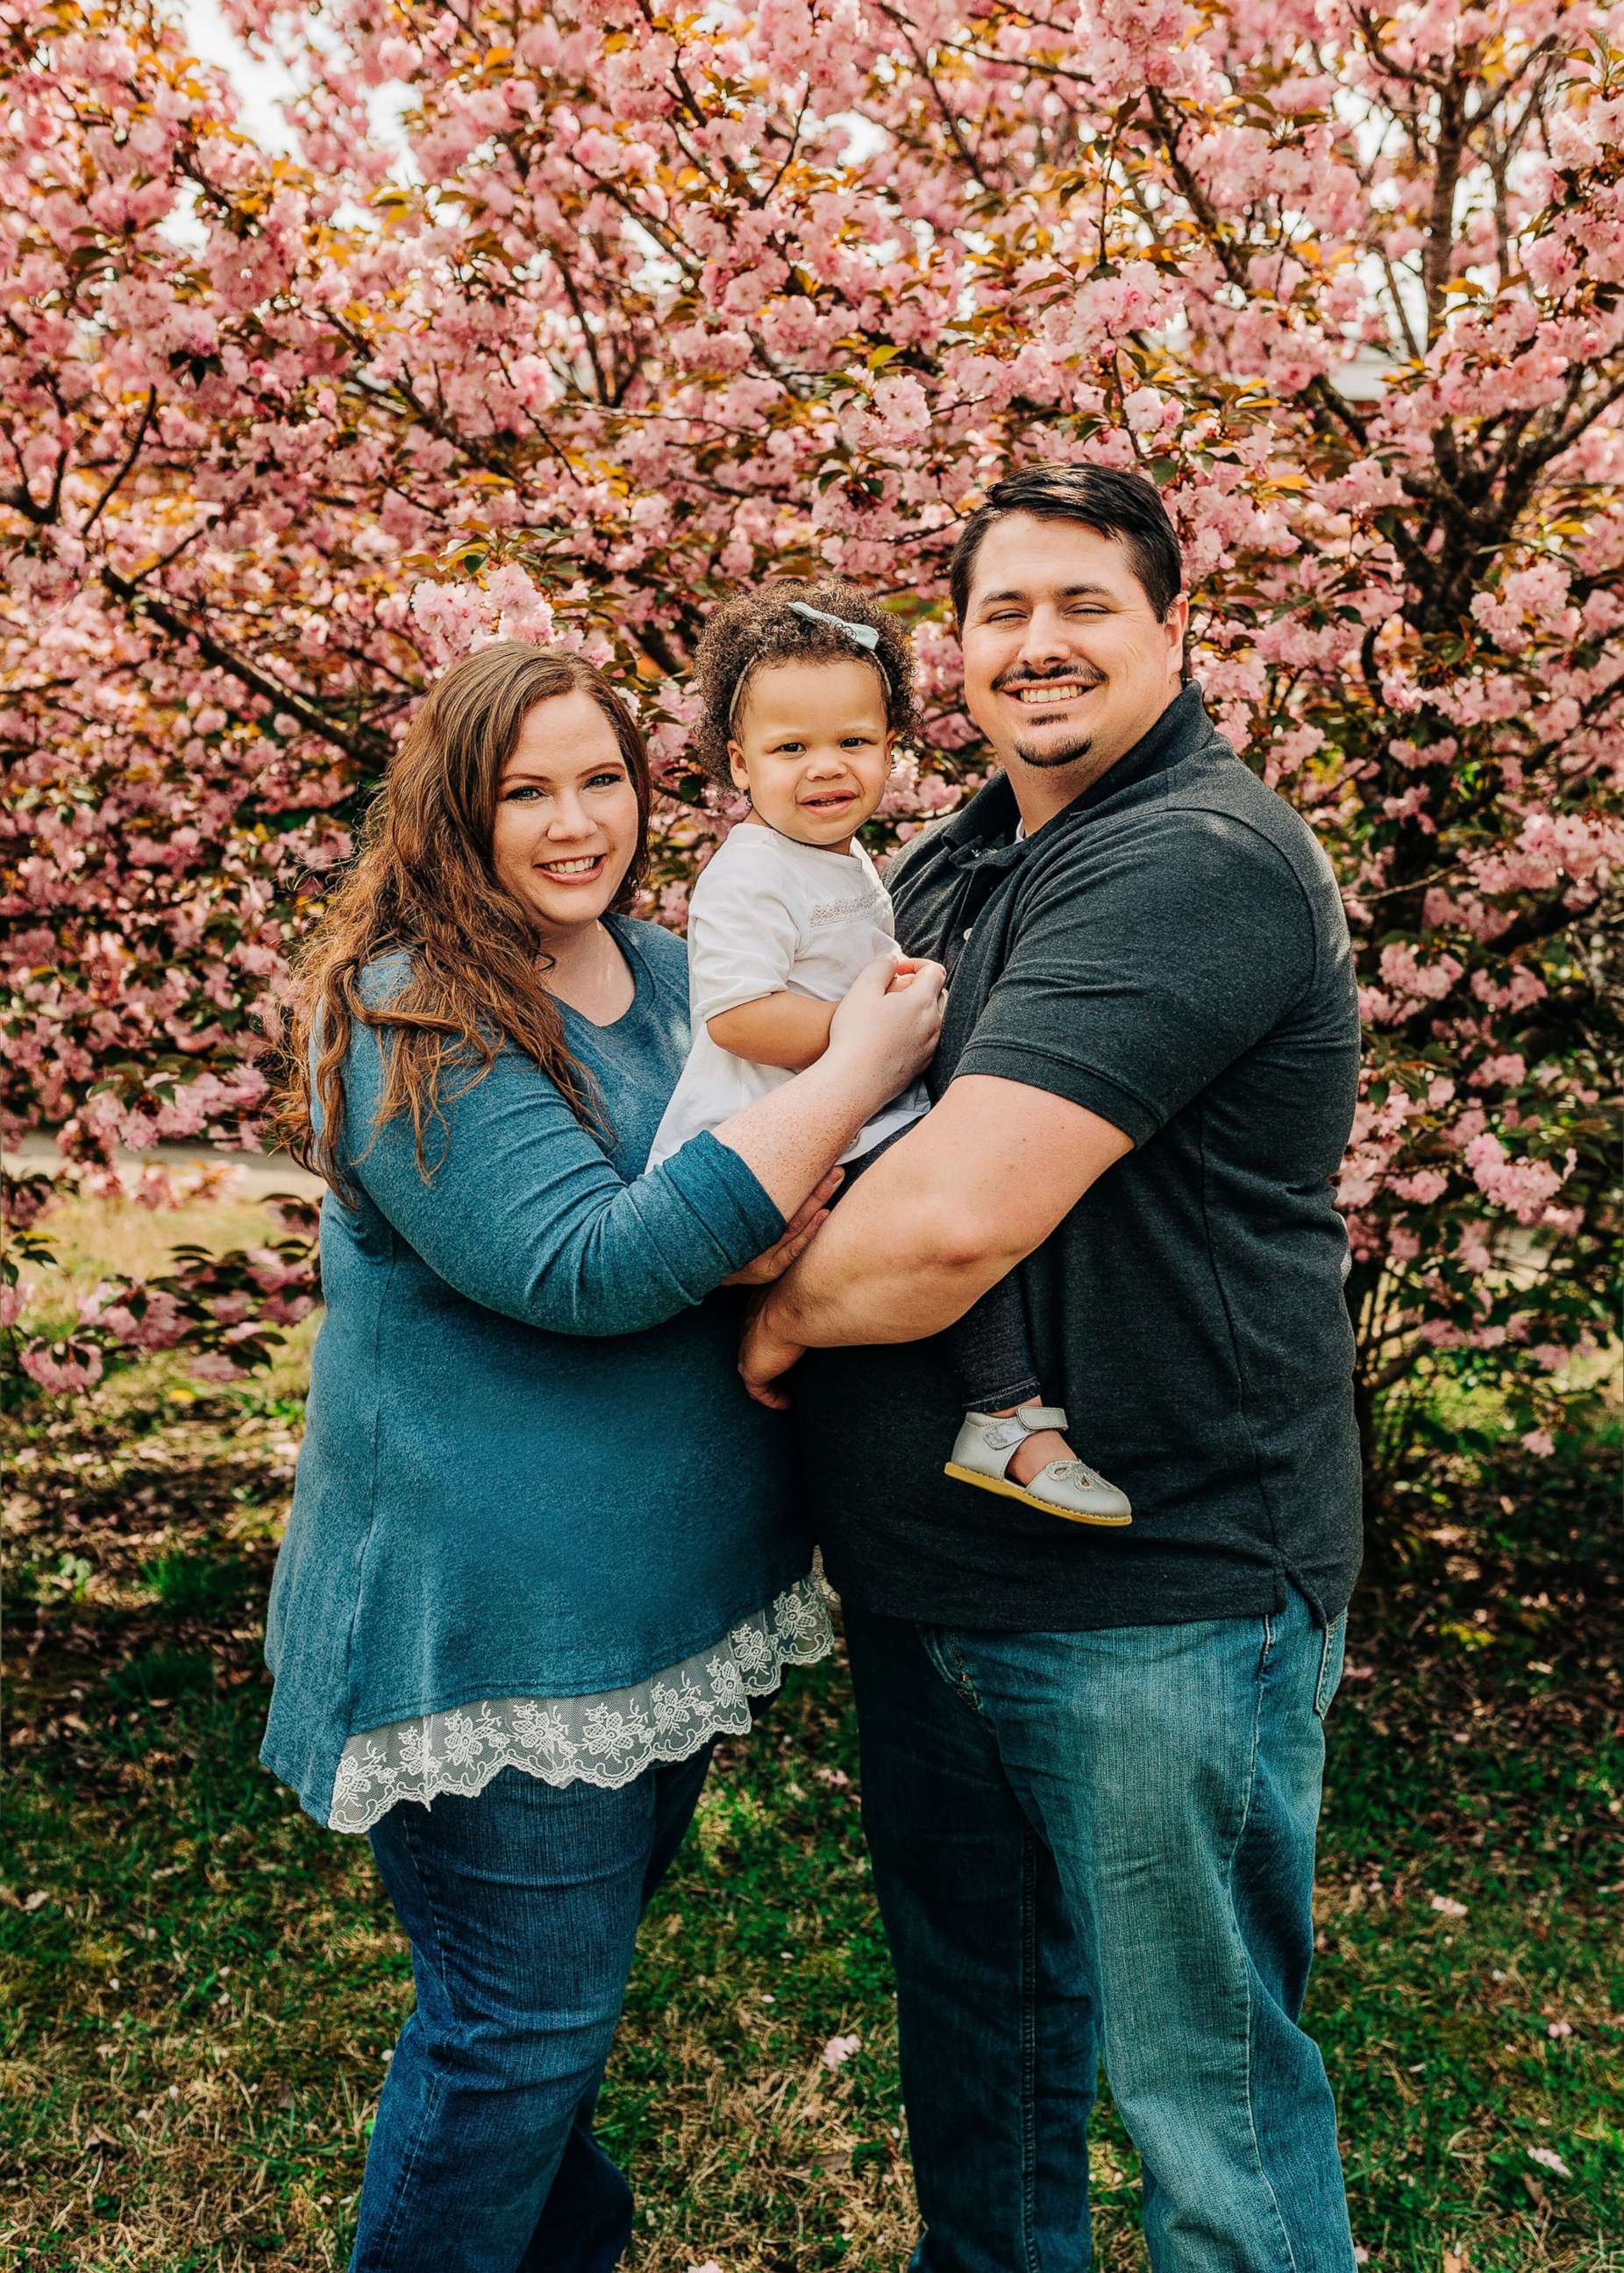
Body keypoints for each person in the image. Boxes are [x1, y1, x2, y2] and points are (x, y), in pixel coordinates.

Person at [741, 463, 1364, 2271]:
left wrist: (770, 1315)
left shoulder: (1192, 861)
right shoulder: (949, 856)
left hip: (1150, 1593)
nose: (1036, 643)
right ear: (953, 653)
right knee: (987, 2076)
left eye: (1084, 603)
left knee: (1209, 2117)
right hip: (933, 1581)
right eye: (999, 610)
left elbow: (942, 1222)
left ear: (1176, 629)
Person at [260, 639, 944, 2273]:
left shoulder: (658, 963)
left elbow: (750, 1217)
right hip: (497, 1630)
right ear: (449, 811)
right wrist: (850, 1071)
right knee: (517, 2032)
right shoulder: (412, 1011)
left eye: (604, 779)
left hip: (652, 1612)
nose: (575, 822)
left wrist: (741, 1222)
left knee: (544, 2021)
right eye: (525, 791)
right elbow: (590, 1266)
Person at [649, 578, 1129, 1527]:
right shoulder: (749, 871)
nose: (825, 768)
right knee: (954, 1208)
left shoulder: (847, 856)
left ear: (891, 748)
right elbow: (740, 1015)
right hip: (776, 1131)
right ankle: (1007, 1417)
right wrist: (876, 1043)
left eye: (853, 743)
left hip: (840, 1112)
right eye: (790, 749)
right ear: (737, 764)